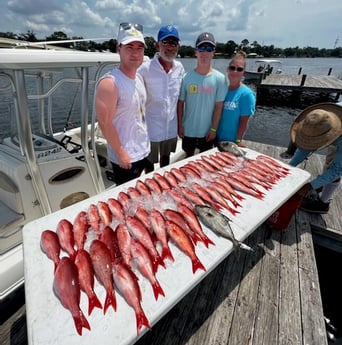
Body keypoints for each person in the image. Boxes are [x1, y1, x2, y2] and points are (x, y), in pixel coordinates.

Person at [95, 22, 150, 185]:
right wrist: (121, 154)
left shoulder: (139, 77)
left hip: (143, 151)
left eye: (139, 48)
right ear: (119, 48)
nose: (135, 53)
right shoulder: (110, 83)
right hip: (126, 158)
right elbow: (105, 123)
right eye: (129, 47)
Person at [138, 25, 185, 172]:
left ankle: (164, 180)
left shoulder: (180, 68)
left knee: (166, 159)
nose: (169, 47)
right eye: (165, 42)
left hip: (170, 127)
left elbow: (180, 101)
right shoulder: (144, 69)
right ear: (157, 44)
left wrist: (180, 125)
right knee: (149, 164)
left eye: (173, 43)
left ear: (178, 46)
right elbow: (136, 101)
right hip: (150, 128)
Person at [177, 32, 227, 157]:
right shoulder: (186, 77)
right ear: (196, 52)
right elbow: (180, 103)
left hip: (207, 131)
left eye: (209, 48)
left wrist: (214, 129)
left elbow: (219, 107)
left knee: (205, 161)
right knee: (187, 158)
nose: (205, 52)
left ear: (213, 52)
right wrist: (179, 125)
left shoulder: (220, 79)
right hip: (188, 130)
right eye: (201, 48)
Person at [289, 102, 342, 214]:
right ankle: (322, 184)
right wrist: (289, 167)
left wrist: (310, 186)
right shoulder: (323, 118)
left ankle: (323, 204)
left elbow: (336, 170)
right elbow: (304, 149)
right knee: (329, 163)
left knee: (333, 168)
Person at [216, 51, 256, 147]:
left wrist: (238, 140)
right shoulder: (222, 89)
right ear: (227, 69)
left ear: (243, 73)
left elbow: (244, 121)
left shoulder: (247, 94)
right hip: (216, 138)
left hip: (231, 143)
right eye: (232, 68)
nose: (235, 72)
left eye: (239, 69)